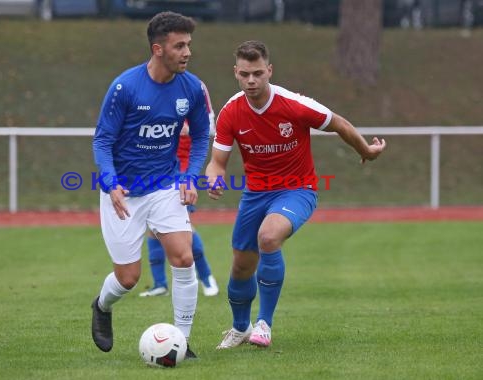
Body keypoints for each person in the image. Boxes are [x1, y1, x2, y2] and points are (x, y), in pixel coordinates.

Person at [205, 40, 386, 349]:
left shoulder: (294, 104)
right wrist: (214, 179)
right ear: (236, 72)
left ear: (269, 71)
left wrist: (366, 150)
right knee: (241, 265)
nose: (251, 81)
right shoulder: (231, 112)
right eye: (245, 74)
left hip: (297, 190)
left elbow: (339, 124)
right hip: (255, 194)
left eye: (258, 73)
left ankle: (264, 324)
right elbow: (217, 162)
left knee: (269, 237)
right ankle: (240, 328)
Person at [91, 11, 211, 358]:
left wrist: (190, 176)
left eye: (189, 44)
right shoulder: (125, 87)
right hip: (124, 192)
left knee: (184, 257)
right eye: (179, 45)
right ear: (158, 49)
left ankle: (182, 341)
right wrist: (110, 183)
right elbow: (102, 141)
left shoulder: (191, 87)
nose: (187, 52)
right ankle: (101, 306)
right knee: (128, 278)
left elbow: (202, 134)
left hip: (165, 184)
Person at [140, 85, 219, 298]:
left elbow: (208, 125)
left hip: (182, 171)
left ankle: (206, 276)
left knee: (184, 228)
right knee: (153, 228)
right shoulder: (150, 90)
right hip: (155, 171)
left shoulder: (196, 89)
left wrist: (186, 128)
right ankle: (160, 284)